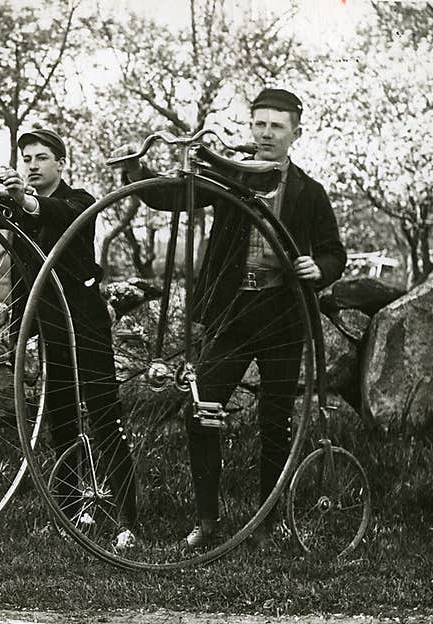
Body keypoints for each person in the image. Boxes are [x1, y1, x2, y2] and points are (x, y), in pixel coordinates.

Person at [120, 88, 346, 548]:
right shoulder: (232, 178)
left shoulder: (309, 191)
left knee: (275, 422)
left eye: (276, 126)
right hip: (233, 314)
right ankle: (207, 522)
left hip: (282, 314)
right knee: (199, 410)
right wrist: (137, 173)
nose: (266, 133)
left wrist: (318, 267)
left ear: (295, 133)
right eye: (259, 124)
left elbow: (333, 252)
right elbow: (176, 195)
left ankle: (266, 522)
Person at [0, 128, 138, 548]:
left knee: (103, 414)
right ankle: (70, 509)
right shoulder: (19, 207)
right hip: (48, 328)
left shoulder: (80, 200)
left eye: (42, 158)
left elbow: (56, 214)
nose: (34, 166)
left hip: (86, 325)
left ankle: (128, 517)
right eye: (27, 159)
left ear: (61, 163)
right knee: (62, 419)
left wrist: (24, 200)